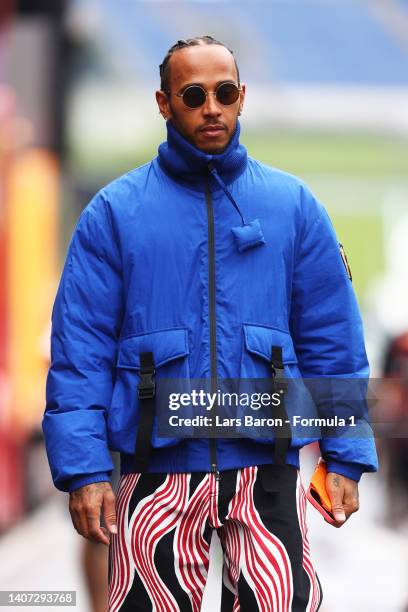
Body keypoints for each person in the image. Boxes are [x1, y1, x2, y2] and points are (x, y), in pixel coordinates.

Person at [43, 36, 378, 611]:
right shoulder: (113, 214)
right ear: (164, 102)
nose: (211, 108)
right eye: (193, 95)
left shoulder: (294, 206)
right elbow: (81, 351)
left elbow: (332, 339)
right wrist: (84, 469)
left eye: (224, 92)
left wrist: (344, 452)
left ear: (242, 96)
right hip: (155, 475)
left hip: (266, 470)